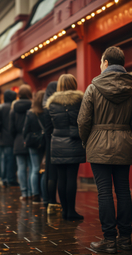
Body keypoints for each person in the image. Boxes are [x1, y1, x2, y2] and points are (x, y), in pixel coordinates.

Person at [78, 46, 132, 253]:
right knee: (123, 191)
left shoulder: (92, 88)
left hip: (99, 145)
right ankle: (125, 239)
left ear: (106, 63)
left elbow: (83, 121)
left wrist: (86, 142)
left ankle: (109, 241)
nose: (100, 65)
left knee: (104, 193)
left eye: (100, 62)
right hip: (125, 145)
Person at [45, 74, 86, 220]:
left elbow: (48, 126)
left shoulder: (51, 103)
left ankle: (64, 211)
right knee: (71, 178)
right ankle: (71, 212)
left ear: (60, 85)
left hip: (57, 143)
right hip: (74, 142)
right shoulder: (80, 101)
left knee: (61, 178)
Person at [9, 85, 33, 200]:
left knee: (21, 167)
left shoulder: (14, 109)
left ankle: (24, 193)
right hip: (31, 139)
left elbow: (11, 128)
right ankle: (33, 191)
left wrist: (17, 137)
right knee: (32, 167)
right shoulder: (33, 106)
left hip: (18, 140)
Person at [23, 90, 46, 204]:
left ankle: (34, 194)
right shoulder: (46, 112)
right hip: (44, 142)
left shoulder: (30, 113)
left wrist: (25, 140)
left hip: (32, 143)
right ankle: (42, 194)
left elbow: (25, 130)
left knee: (34, 168)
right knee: (43, 169)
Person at [42, 82, 61, 214]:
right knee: (56, 174)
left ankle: (49, 201)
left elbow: (47, 129)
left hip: (49, 143)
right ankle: (52, 201)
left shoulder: (45, 106)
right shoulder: (57, 106)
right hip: (57, 142)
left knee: (50, 173)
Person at [0, 90, 18, 187]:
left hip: (0, 137)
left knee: (2, 159)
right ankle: (10, 179)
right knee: (10, 160)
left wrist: (1, 130)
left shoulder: (0, 107)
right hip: (11, 138)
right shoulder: (13, 107)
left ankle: (3, 178)